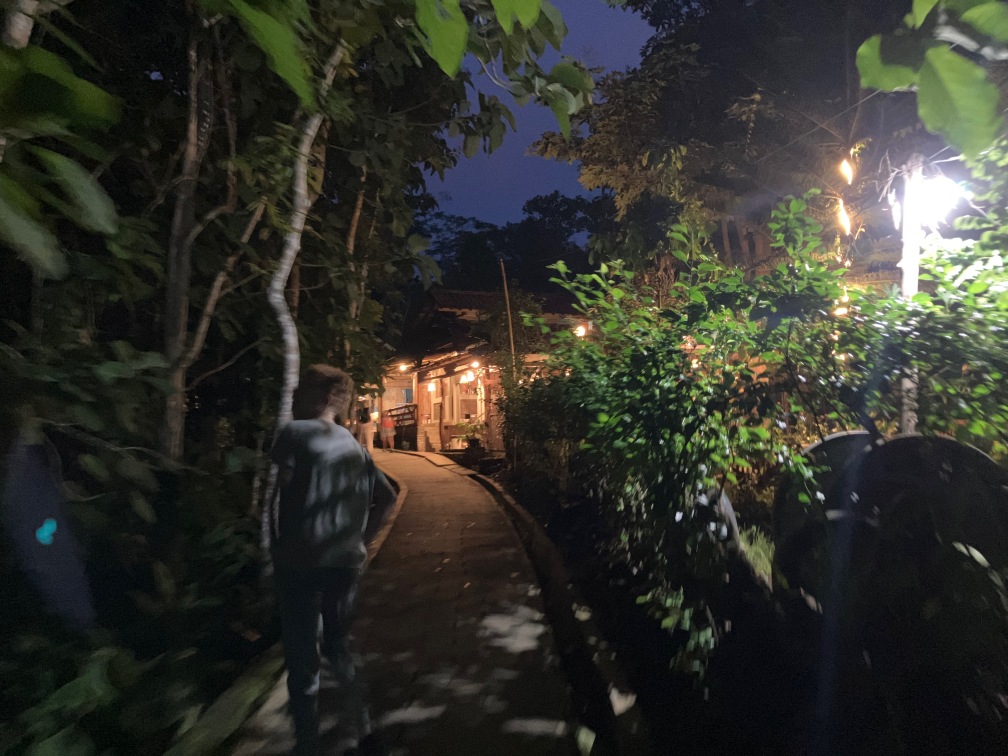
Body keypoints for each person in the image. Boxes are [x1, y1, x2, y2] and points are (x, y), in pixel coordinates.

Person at [269, 365, 396, 756]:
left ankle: (307, 743)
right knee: (339, 646)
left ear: (321, 397)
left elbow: (278, 498)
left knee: (302, 657)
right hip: (345, 564)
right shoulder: (354, 446)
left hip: (301, 562)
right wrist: (361, 540)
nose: (294, 397)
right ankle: (364, 729)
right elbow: (387, 497)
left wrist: (274, 549)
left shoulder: (293, 433)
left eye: (300, 391)